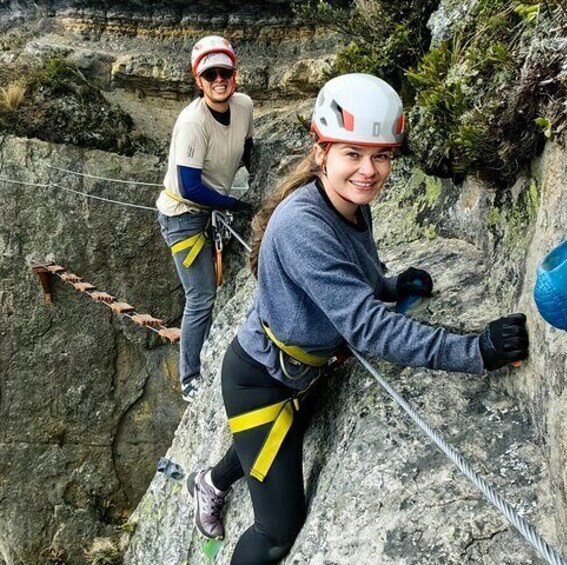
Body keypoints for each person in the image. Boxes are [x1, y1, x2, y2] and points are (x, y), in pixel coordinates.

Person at [185, 73, 529, 563]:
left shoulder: (346, 200)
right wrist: (474, 350)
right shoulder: (304, 223)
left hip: (297, 370)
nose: (370, 170)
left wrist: (389, 286)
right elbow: (368, 326)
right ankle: (211, 487)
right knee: (278, 530)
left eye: (382, 155)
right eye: (353, 153)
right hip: (262, 381)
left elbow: (348, 280)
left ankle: (211, 481)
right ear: (322, 151)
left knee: (277, 439)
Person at [157, 35, 255, 403]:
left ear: (235, 75)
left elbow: (246, 148)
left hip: (211, 208)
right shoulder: (191, 123)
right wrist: (233, 205)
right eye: (210, 73)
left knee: (211, 291)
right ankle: (190, 378)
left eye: (224, 72)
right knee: (201, 296)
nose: (219, 79)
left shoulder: (244, 106)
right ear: (198, 81)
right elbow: (188, 187)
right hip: (182, 215)